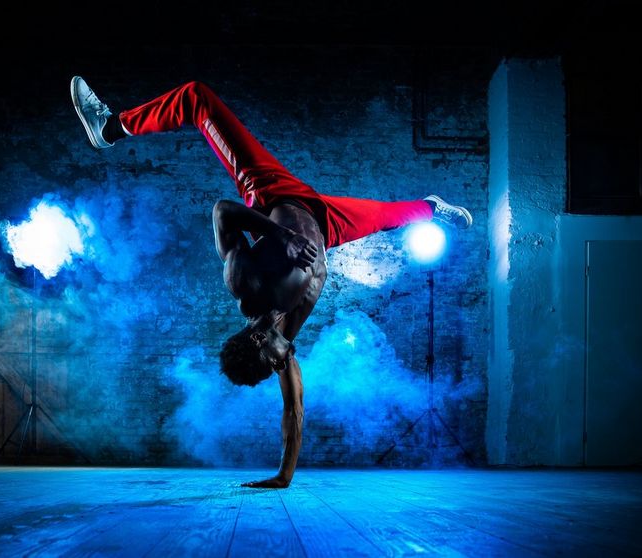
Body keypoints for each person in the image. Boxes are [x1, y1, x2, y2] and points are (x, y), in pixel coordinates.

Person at [71, 78, 472, 488]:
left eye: (275, 360)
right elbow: (294, 412)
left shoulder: (245, 285)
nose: (285, 362)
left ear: (260, 342)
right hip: (326, 224)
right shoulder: (287, 338)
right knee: (388, 216)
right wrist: (283, 476)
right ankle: (430, 208)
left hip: (273, 193)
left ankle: (109, 129)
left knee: (197, 98)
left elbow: (224, 212)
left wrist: (283, 236)